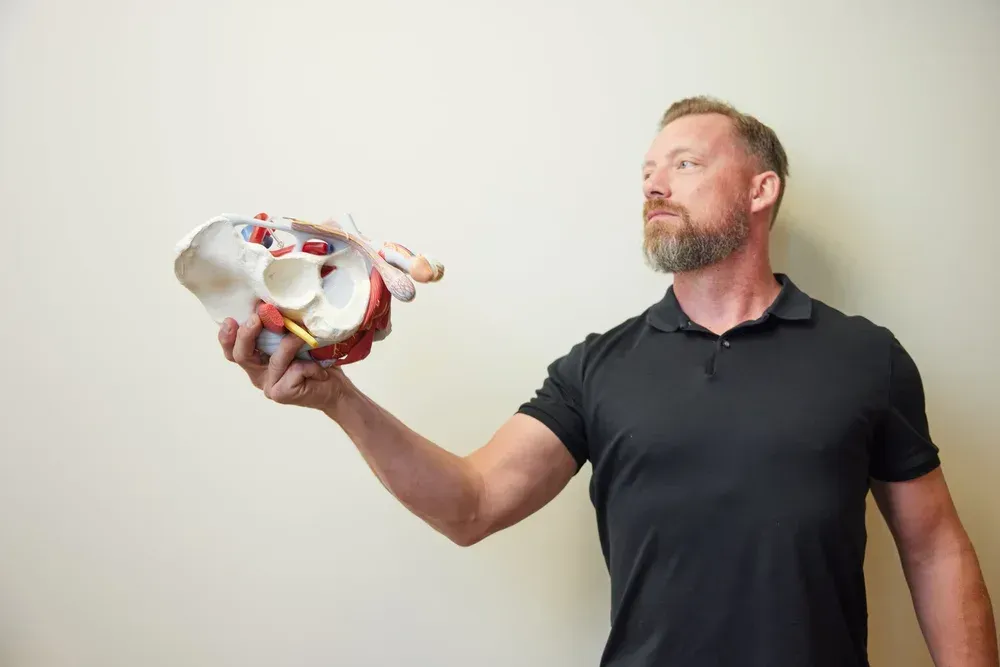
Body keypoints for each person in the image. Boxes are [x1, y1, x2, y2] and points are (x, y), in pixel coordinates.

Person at [216, 96, 998, 667]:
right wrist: (339, 400)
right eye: (648, 172)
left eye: (686, 165)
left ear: (762, 190)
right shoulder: (598, 367)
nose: (655, 185)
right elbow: (472, 504)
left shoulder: (866, 356)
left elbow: (934, 550)